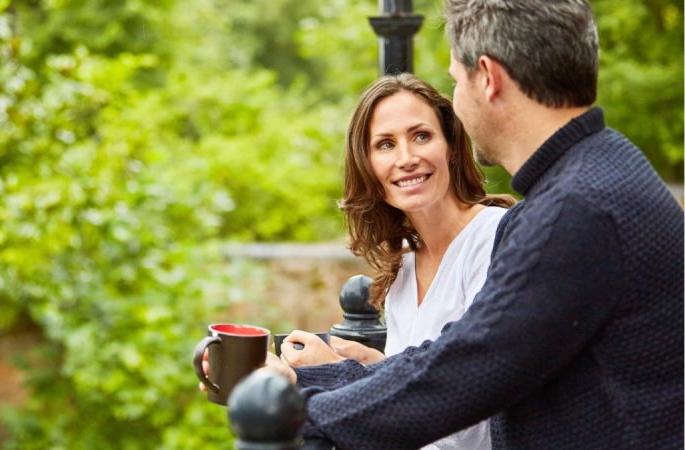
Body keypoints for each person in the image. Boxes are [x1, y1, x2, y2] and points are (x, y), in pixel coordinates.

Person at [262, 1, 685, 448]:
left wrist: (293, 410)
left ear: (487, 76)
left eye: (455, 80)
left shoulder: (577, 208)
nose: (457, 100)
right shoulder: (600, 172)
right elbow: (460, 356)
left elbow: (465, 374)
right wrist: (321, 378)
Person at [278, 74, 514, 450]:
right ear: (368, 165)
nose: (406, 159)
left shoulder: (496, 240)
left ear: (451, 145)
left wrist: (333, 375)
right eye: (385, 144)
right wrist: (373, 366)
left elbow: (466, 411)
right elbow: (416, 388)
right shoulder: (403, 267)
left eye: (421, 136)